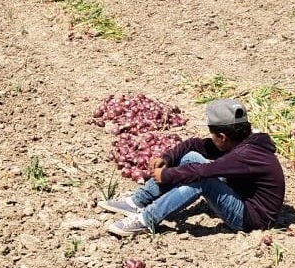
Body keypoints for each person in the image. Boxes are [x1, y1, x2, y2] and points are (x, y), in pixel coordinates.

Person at [104, 99, 285, 237]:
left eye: (212, 134)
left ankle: (146, 220)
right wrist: (167, 158)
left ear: (222, 136)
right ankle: (137, 202)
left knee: (202, 181)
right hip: (239, 194)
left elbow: (202, 172)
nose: (210, 138)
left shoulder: (246, 155)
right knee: (191, 157)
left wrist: (166, 176)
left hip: (251, 218)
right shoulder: (241, 141)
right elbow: (194, 145)